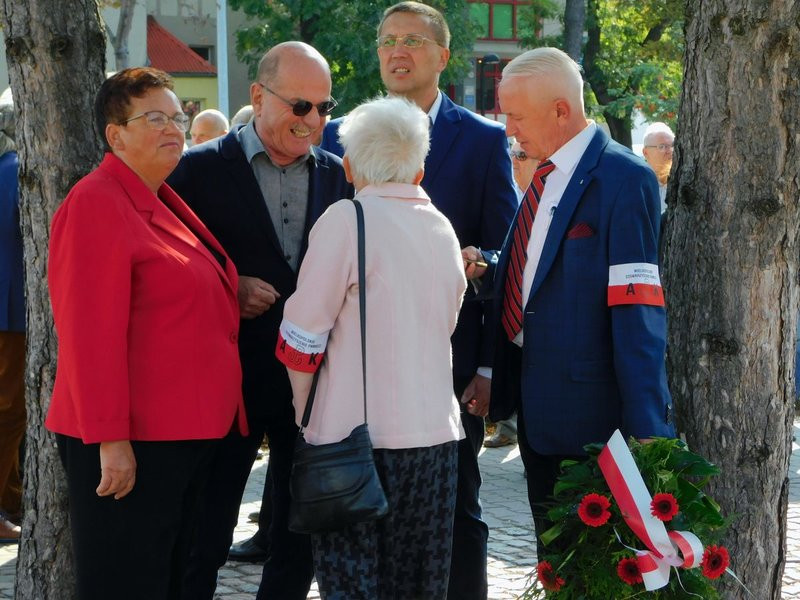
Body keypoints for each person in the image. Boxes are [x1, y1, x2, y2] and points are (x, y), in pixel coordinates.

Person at [321, 5, 517, 597]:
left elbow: (501, 260)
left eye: (412, 40)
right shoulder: (343, 135)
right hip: (355, 387)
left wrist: (486, 366)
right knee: (356, 522)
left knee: (457, 517)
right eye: (386, 42)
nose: (396, 52)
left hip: (446, 381)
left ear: (443, 56)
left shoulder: (481, 140)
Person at [463, 47, 675, 557]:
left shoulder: (624, 179)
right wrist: (491, 264)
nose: (509, 130)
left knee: (592, 572)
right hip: (537, 413)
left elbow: (637, 306)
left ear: (561, 110)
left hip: (593, 424)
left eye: (516, 115)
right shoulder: (543, 171)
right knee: (553, 565)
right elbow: (539, 269)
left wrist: (649, 429)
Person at [45, 67, 247, 600]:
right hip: (131, 442)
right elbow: (89, 336)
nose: (173, 128)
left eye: (176, 116)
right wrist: (112, 442)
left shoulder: (160, 199)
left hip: (182, 436)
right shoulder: (96, 202)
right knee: (126, 583)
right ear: (116, 135)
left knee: (171, 578)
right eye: (153, 118)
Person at [166, 41, 352, 600]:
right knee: (207, 526)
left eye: (324, 107)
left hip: (312, 385)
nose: (314, 120)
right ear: (258, 96)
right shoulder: (194, 171)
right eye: (301, 106)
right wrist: (229, 289)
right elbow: (166, 272)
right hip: (226, 384)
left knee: (301, 533)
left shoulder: (338, 175)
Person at [277, 94, 466, 600]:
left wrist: (305, 413)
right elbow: (446, 322)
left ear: (352, 165)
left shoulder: (347, 219)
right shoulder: (442, 227)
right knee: (420, 583)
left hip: (351, 439)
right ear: (419, 168)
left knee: (352, 580)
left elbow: (301, 334)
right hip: (434, 438)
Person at [0, 93, 24, 543]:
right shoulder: (18, 170)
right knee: (8, 414)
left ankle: (14, 498)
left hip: (11, 311)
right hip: (10, 315)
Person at [641, 121, 675, 213]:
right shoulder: (639, 184)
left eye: (672, 145)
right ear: (645, 152)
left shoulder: (682, 180)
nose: (670, 151)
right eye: (662, 146)